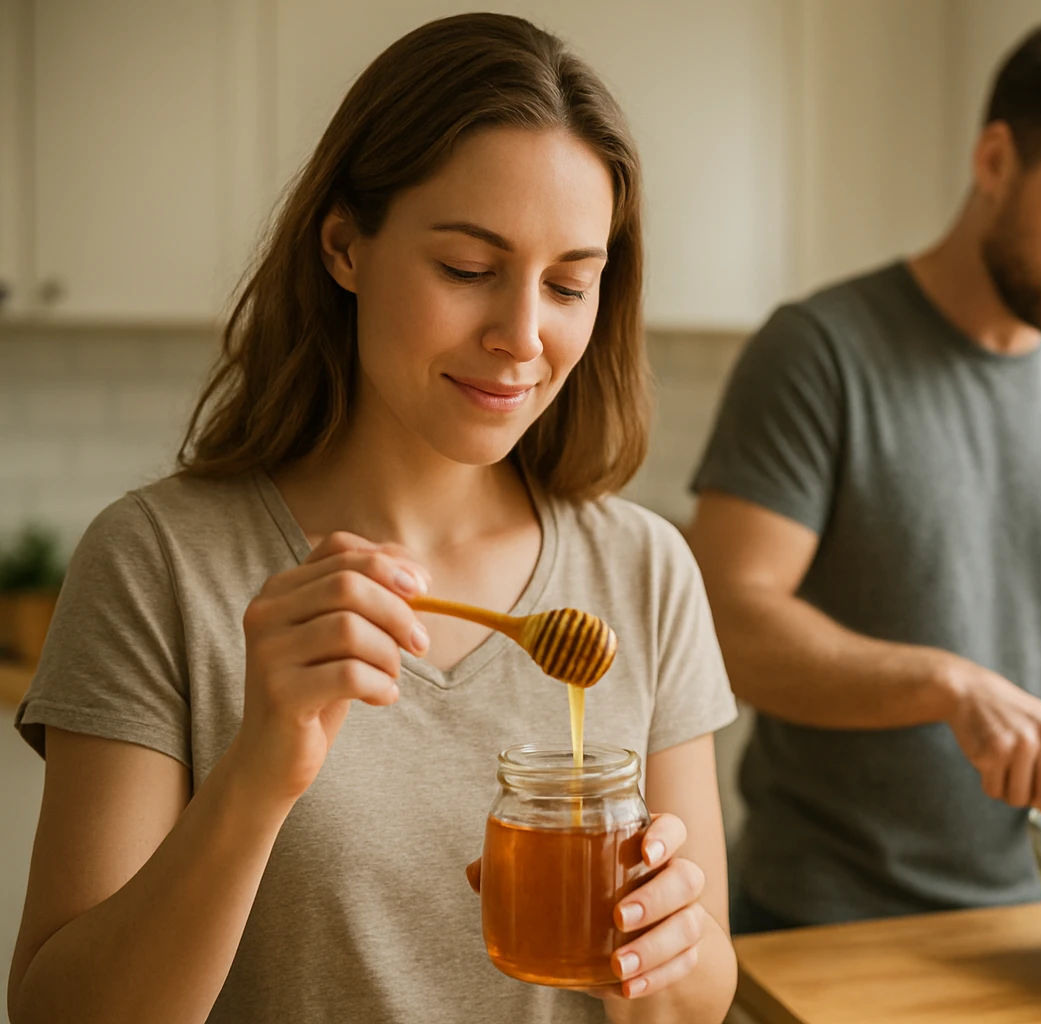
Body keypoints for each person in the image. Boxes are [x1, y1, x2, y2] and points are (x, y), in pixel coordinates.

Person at [7, 14, 737, 1024]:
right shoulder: (159, 564)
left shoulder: (645, 570)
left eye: (570, 283)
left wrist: (662, 950)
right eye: (468, 269)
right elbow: (59, 1013)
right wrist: (260, 774)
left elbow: (697, 999)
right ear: (347, 245)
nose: (523, 336)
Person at [687, 21, 1041, 932]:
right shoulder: (818, 353)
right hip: (820, 921)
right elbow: (728, 622)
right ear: (996, 161)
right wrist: (949, 684)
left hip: (1031, 915)